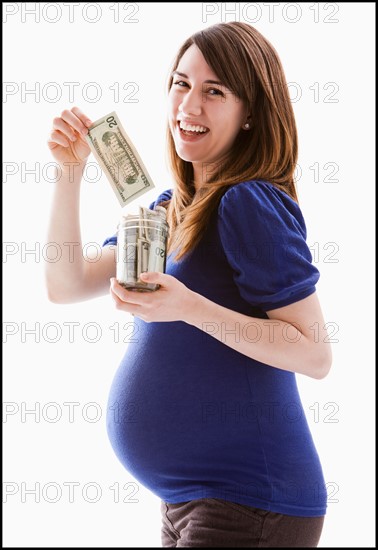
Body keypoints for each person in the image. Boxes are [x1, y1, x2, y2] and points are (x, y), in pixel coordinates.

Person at [46, 21, 332, 548]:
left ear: (251, 113)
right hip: (191, 502)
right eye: (181, 83)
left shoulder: (248, 203)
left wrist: (189, 307)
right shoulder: (170, 210)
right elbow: (65, 285)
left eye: (215, 91)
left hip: (251, 503)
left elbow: (315, 353)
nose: (189, 105)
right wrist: (69, 174)